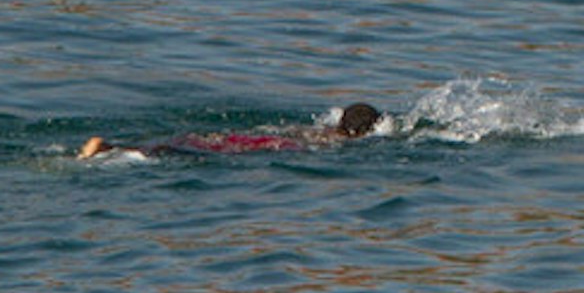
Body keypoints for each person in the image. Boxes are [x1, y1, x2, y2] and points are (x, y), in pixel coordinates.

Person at [78, 103, 383, 161]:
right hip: (254, 147)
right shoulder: (331, 144)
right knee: (175, 153)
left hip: (237, 137)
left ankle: (112, 147)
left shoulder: (316, 128)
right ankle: (110, 148)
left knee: (178, 145)